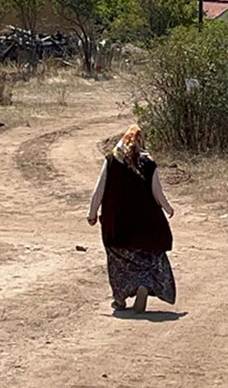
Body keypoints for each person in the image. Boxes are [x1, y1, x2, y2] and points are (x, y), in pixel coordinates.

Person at [88, 124, 176, 313]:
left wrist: (92, 213)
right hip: (147, 224)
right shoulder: (148, 162)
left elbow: (99, 189)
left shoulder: (112, 160)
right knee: (147, 256)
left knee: (118, 261)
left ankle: (120, 299)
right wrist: (168, 207)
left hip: (117, 224)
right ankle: (143, 284)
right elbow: (157, 192)